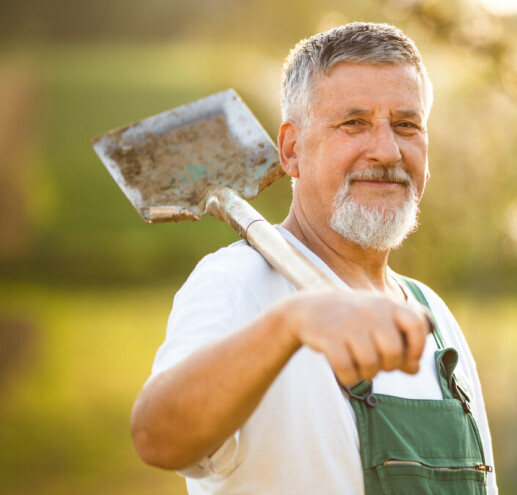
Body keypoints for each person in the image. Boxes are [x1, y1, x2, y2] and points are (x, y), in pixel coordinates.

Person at [130, 22, 497, 494]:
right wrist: (291, 323)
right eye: (354, 123)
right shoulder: (239, 283)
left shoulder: (432, 317)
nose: (387, 150)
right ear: (290, 148)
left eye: (406, 125)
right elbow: (157, 438)